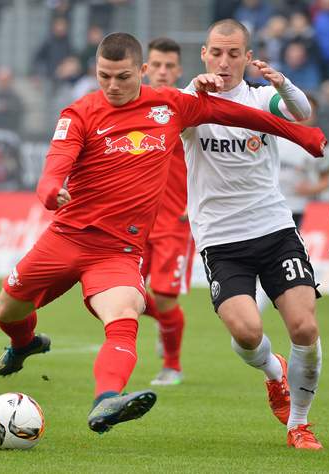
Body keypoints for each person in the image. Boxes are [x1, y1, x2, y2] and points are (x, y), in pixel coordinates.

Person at [0, 31, 326, 435]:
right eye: (104, 76)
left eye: (123, 77)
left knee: (126, 312)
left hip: (118, 250)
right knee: (5, 312)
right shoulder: (77, 114)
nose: (112, 86)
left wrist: (302, 135)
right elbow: (57, 162)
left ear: (143, 72)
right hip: (65, 238)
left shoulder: (168, 106)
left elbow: (237, 115)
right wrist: (49, 191)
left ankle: (106, 399)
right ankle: (24, 343)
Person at [182, 19, 325, 449]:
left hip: (273, 228)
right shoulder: (190, 103)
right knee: (246, 333)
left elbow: (302, 114)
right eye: (216, 53)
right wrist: (194, 89)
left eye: (233, 54)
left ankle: (298, 424)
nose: (224, 63)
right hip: (221, 240)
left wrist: (283, 84)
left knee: (304, 326)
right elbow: (174, 116)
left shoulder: (262, 99)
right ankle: (273, 373)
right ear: (204, 54)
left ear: (248, 57)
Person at [139, 37, 191, 386]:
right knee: (121, 294)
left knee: (166, 298)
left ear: (179, 70)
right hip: (132, 222)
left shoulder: (189, 108)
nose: (162, 71)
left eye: (169, 66)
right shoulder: (128, 105)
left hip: (175, 219)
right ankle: (165, 324)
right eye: (156, 65)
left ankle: (172, 365)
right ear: (144, 69)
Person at [278, 95, 329, 228]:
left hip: (296, 207)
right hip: (269, 205)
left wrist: (310, 189)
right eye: (300, 109)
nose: (305, 115)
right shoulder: (274, 135)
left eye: (310, 112)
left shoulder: (318, 144)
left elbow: (326, 180)